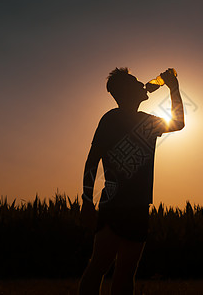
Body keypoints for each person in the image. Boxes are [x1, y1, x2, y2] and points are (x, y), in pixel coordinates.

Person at [78, 67, 184, 295]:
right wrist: (87, 200)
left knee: (127, 271)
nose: (141, 84)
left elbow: (178, 123)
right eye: (135, 82)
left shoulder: (147, 122)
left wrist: (173, 88)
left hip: (139, 205)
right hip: (115, 204)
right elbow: (92, 161)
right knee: (99, 265)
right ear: (126, 91)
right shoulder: (111, 119)